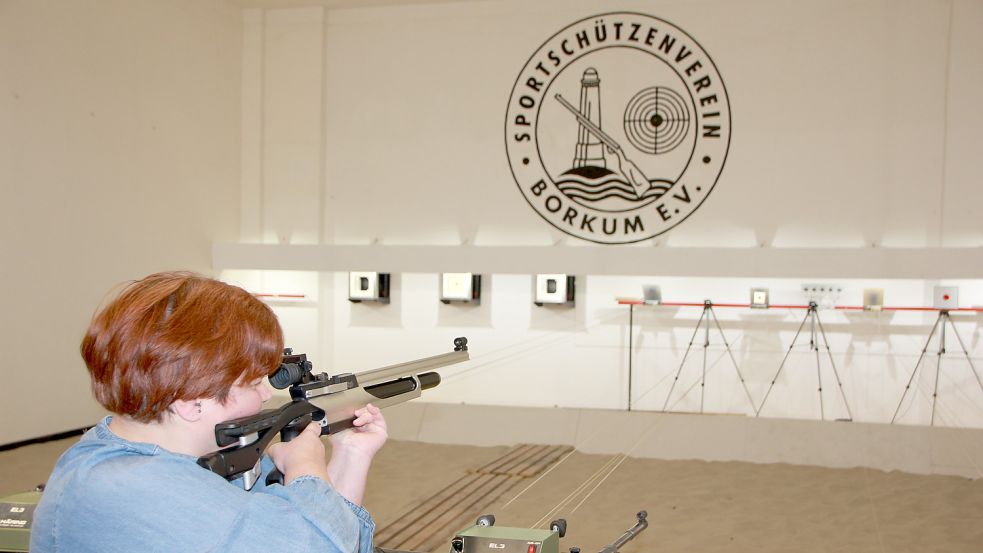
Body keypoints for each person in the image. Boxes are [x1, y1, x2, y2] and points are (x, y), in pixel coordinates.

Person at [32, 271, 387, 552]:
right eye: (250, 383)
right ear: (191, 402)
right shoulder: (134, 489)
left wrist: (351, 455)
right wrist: (306, 467)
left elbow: (334, 533)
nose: (265, 393)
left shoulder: (168, 457)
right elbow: (319, 544)